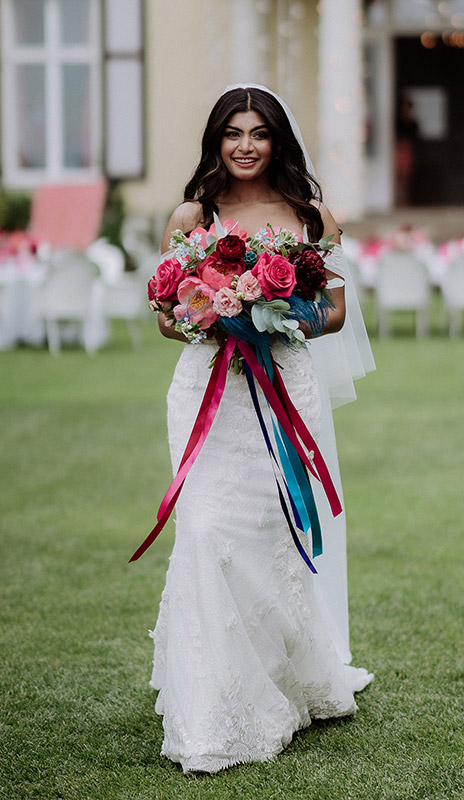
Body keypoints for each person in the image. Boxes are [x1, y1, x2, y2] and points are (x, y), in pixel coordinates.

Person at [149, 84, 374, 773]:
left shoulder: (311, 216)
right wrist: (212, 315)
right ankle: (213, 707)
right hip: (208, 389)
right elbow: (165, 311)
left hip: (283, 386)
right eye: (233, 133)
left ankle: (282, 678)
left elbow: (332, 312)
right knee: (208, 532)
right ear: (216, 140)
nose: (245, 145)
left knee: (271, 534)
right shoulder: (194, 213)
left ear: (279, 140)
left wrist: (273, 309)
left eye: (259, 133)